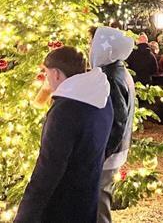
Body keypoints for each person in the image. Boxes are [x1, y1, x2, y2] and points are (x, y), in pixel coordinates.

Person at [15, 47, 113, 223]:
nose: (46, 80)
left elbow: (48, 170)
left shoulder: (65, 111)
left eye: (46, 73)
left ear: (56, 74)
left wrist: (25, 216)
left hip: (62, 205)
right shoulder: (102, 98)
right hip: (88, 195)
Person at [90, 27, 136, 223]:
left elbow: (118, 118)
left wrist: (103, 152)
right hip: (115, 149)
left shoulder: (110, 76)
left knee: (100, 203)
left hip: (108, 153)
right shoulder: (119, 70)